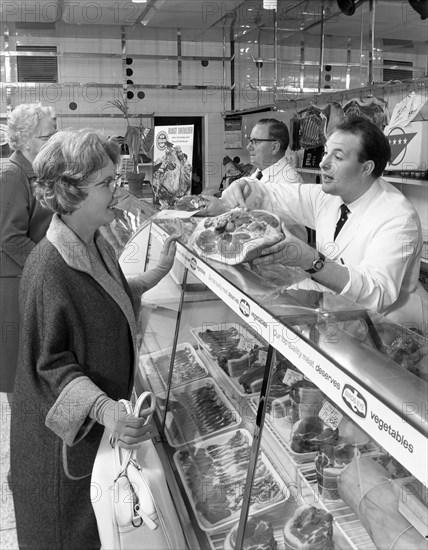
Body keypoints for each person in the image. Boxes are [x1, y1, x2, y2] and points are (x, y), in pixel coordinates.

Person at [10, 129, 178, 548]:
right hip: (60, 446)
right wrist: (106, 410)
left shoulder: (92, 240)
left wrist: (154, 274)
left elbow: (105, 297)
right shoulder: (49, 268)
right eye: (106, 183)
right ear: (69, 192)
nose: (117, 191)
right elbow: (49, 364)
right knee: (66, 533)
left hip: (89, 437)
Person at [221, 116, 427, 327]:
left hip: (390, 330)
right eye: (326, 152)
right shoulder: (328, 196)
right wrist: (245, 187)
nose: (323, 163)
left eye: (337, 157)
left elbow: (377, 293)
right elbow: (275, 194)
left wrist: (312, 261)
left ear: (366, 168)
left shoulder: (398, 217)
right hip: (339, 317)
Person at [0, 102, 56, 404]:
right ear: (26, 140)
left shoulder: (35, 172)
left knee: (30, 366)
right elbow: (10, 238)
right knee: (17, 372)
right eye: (48, 136)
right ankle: (24, 439)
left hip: (29, 278)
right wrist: (46, 269)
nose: (55, 141)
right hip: (15, 284)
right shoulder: (11, 174)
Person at [242, 118, 307, 242]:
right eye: (250, 141)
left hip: (284, 257)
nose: (248, 147)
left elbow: (271, 225)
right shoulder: (258, 173)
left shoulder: (290, 181)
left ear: (274, 147)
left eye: (255, 141)